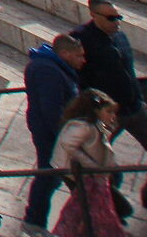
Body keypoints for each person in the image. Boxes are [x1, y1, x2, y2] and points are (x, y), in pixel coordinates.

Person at [73, 0, 147, 218]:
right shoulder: (81, 40)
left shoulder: (120, 36)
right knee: (98, 164)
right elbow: (77, 77)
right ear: (94, 16)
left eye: (118, 17)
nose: (117, 21)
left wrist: (140, 99)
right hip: (106, 115)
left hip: (133, 108)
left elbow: (128, 72)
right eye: (111, 18)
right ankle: (110, 209)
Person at [23, 32, 87, 231]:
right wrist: (66, 137)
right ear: (66, 53)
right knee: (49, 175)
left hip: (53, 132)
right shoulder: (48, 71)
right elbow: (52, 110)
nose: (83, 61)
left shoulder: (52, 66)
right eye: (79, 56)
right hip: (51, 134)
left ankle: (35, 220)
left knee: (51, 175)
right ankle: (34, 221)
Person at [53, 90, 125, 237]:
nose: (112, 116)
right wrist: (91, 165)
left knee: (85, 210)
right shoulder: (84, 126)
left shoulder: (96, 125)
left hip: (89, 175)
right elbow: (68, 144)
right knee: (85, 209)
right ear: (96, 110)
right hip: (79, 174)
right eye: (109, 111)